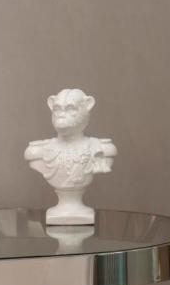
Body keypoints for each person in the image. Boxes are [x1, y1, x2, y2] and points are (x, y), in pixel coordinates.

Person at [26, 89, 117, 224]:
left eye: (70, 109)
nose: (61, 114)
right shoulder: (37, 152)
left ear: (87, 106)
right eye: (57, 109)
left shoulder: (102, 150)